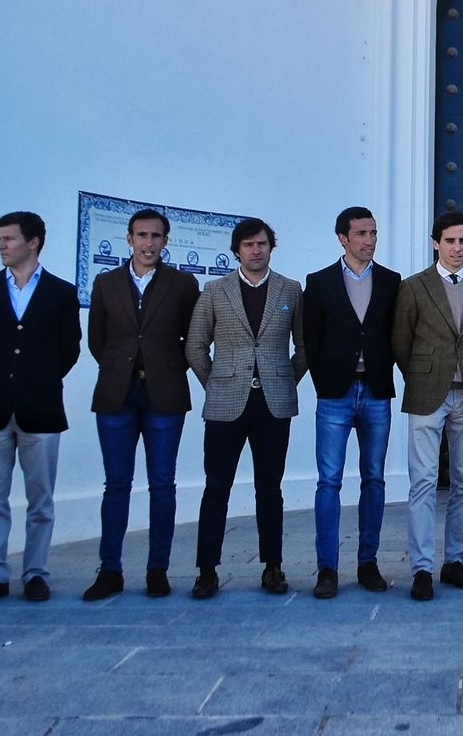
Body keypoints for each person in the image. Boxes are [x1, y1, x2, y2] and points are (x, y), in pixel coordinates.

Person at [83, 208, 201, 601]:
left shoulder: (183, 284)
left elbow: (193, 337)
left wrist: (165, 367)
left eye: (156, 236)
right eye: (141, 235)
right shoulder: (106, 282)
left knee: (162, 484)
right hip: (117, 395)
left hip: (164, 395)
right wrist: (122, 369)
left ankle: (157, 569)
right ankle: (110, 569)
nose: (148, 243)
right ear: (129, 239)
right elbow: (97, 340)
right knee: (116, 485)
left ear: (166, 241)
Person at [186, 217, 307, 599]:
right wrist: (217, 382)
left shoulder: (290, 289)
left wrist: (285, 379)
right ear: (236, 249)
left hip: (273, 403)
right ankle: (207, 570)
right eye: (249, 244)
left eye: (262, 244)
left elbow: (303, 347)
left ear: (272, 247)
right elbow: (194, 346)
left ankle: (273, 566)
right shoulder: (215, 290)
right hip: (226, 403)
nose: (256, 250)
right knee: (216, 486)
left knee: (270, 488)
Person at [0, 211, 82, 604]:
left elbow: (69, 349)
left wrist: (39, 379)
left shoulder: (62, 292)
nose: (1, 245)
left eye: (8, 239)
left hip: (42, 407)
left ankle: (35, 572)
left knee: (41, 499)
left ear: (32, 242)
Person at [393, 211, 463, 600]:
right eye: (450, 241)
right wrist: (424, 375)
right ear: (436, 242)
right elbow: (402, 343)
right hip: (426, 393)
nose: (457, 248)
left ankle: (455, 560)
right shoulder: (414, 287)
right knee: (422, 483)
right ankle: (421, 568)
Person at [304, 206, 400, 598]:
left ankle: (367, 563)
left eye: (374, 232)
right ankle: (327, 568)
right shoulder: (320, 282)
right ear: (342, 238)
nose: (370, 240)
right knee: (329, 481)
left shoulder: (392, 282)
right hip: (336, 395)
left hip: (376, 391)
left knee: (374, 479)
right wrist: (325, 383)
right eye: (361, 233)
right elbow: (311, 339)